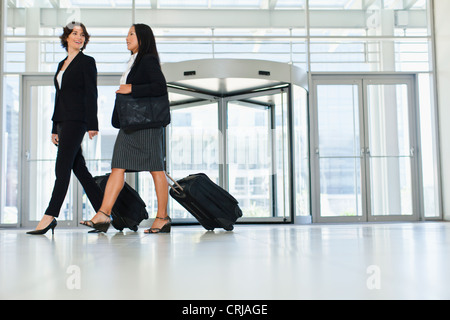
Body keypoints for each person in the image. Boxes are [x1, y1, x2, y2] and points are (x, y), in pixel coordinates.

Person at [80, 24, 170, 234]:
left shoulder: (148, 59)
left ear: (143, 37)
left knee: (156, 169)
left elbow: (159, 87)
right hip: (130, 125)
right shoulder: (133, 61)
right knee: (117, 167)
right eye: (127, 34)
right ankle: (103, 214)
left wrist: (132, 88)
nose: (127, 38)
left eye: (131, 34)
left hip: (146, 126)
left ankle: (163, 218)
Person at [27, 22, 103, 235]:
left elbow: (91, 93)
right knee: (79, 169)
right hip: (62, 122)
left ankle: (50, 215)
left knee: (62, 168)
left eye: (82, 34)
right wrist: (54, 127)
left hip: (77, 121)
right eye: (75, 33)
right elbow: (59, 98)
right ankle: (106, 213)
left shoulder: (87, 62)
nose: (79, 37)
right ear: (67, 37)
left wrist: (92, 124)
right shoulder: (62, 64)